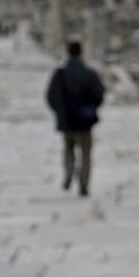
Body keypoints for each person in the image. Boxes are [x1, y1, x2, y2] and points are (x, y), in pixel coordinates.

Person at [46, 40, 104, 196]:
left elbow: (51, 96)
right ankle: (84, 183)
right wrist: (90, 108)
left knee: (68, 148)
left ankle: (69, 173)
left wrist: (59, 112)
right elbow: (99, 95)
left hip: (67, 119)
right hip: (85, 119)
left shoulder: (60, 74)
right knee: (85, 153)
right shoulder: (90, 73)